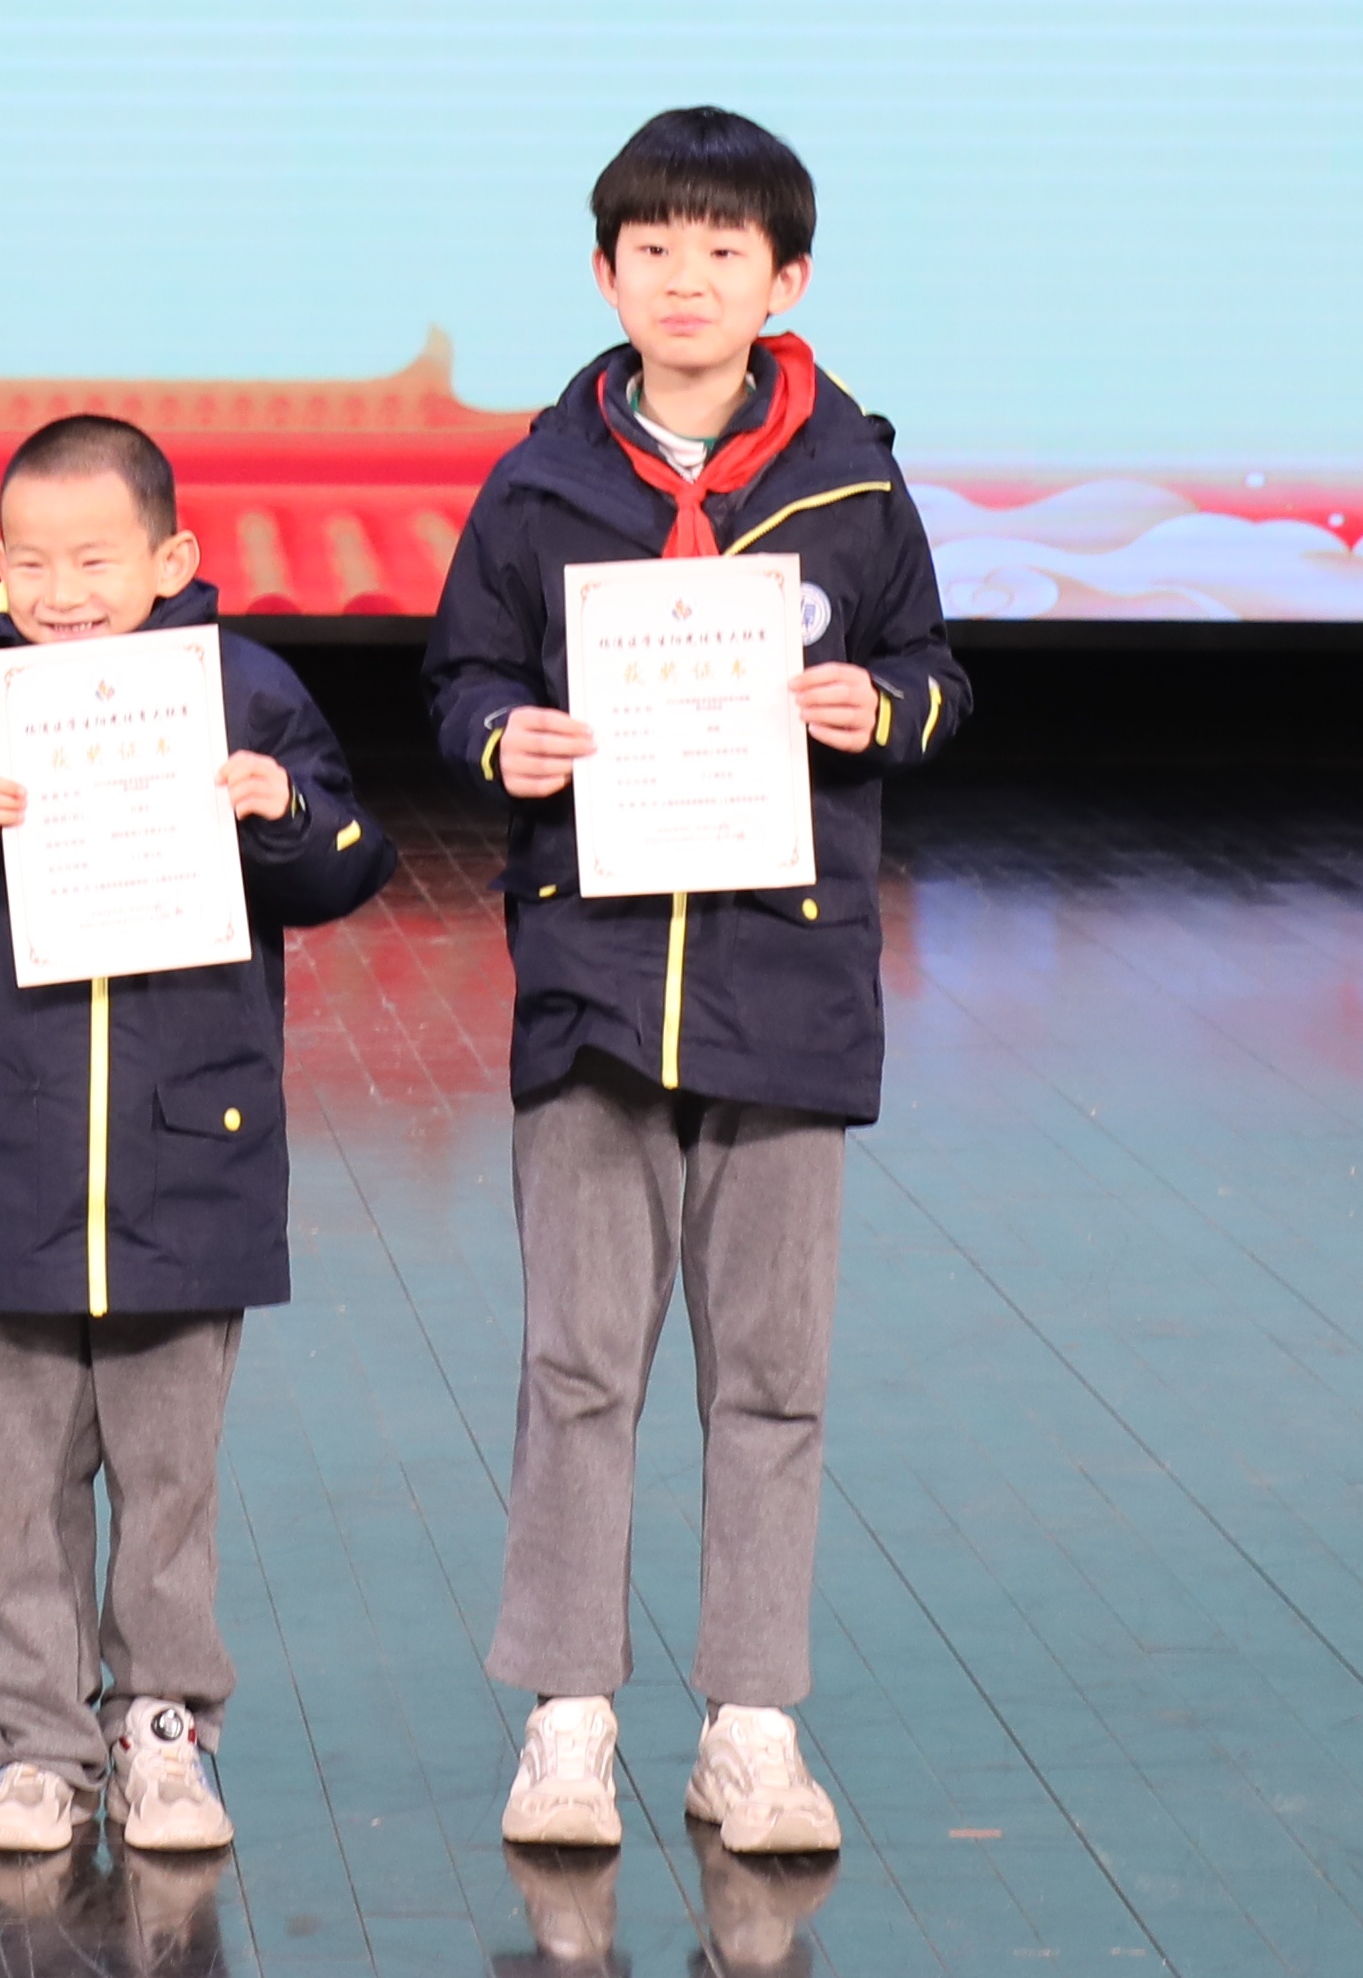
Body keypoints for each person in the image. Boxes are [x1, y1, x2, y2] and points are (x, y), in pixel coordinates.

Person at [422, 106, 970, 1860]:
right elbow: (459, 679)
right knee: (578, 1367)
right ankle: (566, 1718)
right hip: (591, 981)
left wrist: (878, 709)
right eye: (651, 248)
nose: (685, 278)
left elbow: (935, 674)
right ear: (604, 275)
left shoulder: (855, 485)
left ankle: (751, 1723)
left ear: (783, 280)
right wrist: (500, 737)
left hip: (784, 983)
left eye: (723, 250)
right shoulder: (536, 484)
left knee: (771, 1376)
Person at [0, 414, 396, 1860]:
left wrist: (282, 813)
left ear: (172, 557)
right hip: (5, 1158)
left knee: (169, 1482)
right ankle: (38, 1747)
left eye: (95, 560)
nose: (62, 591)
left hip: (187, 1154)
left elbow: (350, 865)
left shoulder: (242, 691)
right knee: (16, 1488)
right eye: (31, 562)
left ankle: (164, 1732)